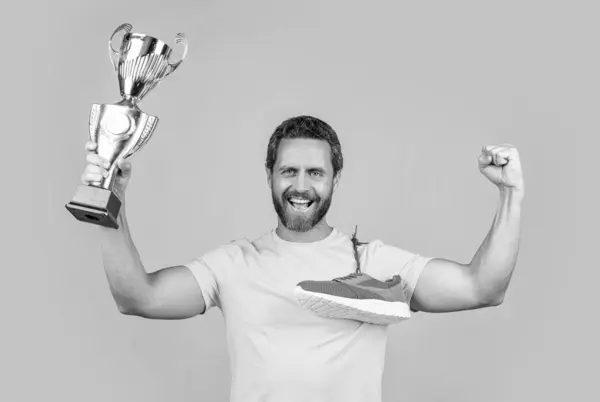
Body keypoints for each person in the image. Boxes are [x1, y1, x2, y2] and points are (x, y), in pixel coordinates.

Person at [81, 115, 524, 402]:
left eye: (315, 172)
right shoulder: (234, 263)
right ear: (270, 176)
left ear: (335, 180)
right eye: (288, 171)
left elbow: (482, 288)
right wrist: (109, 203)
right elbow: (138, 297)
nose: (301, 185)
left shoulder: (374, 263)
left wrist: (511, 194)